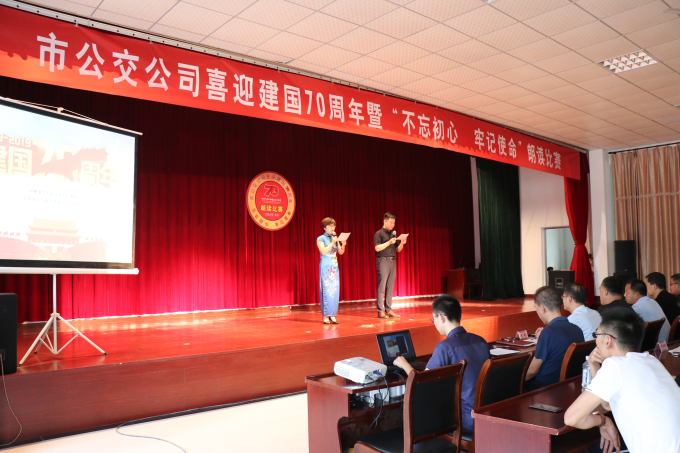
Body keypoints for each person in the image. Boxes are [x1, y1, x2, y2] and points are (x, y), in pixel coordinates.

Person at [564, 306, 680, 453]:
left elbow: (571, 418)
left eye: (596, 334)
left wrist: (603, 421)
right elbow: (608, 404)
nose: (595, 341)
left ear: (608, 340)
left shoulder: (615, 366)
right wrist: (594, 366)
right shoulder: (650, 360)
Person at [394, 295, 490, 434]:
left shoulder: (445, 347)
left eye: (433, 319)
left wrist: (404, 365)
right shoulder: (480, 341)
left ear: (441, 317)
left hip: (463, 419)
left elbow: (422, 383)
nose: (434, 323)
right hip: (485, 414)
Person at [526, 286, 584, 391]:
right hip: (569, 385)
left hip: (544, 388)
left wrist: (516, 381)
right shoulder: (577, 329)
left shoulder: (547, 333)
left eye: (536, 308)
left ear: (542, 308)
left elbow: (532, 371)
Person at [374, 212, 406, 319]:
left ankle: (388, 309)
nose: (392, 225)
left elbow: (398, 249)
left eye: (394, 223)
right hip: (383, 261)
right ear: (385, 221)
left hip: (392, 261)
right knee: (382, 286)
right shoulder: (379, 233)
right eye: (391, 222)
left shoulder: (393, 234)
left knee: (390, 286)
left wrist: (402, 243)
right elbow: (377, 248)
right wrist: (389, 242)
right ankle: (380, 311)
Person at [316, 217, 345, 324]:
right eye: (330, 226)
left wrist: (343, 244)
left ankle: (332, 315)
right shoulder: (321, 238)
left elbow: (340, 252)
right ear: (324, 228)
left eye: (334, 226)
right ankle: (325, 316)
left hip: (334, 267)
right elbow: (323, 251)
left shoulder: (334, 238)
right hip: (325, 267)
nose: (333, 228)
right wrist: (333, 243)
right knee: (326, 291)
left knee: (334, 291)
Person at [624, 279, 670, 343]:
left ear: (637, 294)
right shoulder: (653, 301)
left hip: (656, 346)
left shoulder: (637, 307)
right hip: (667, 342)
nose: (624, 295)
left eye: (627, 292)